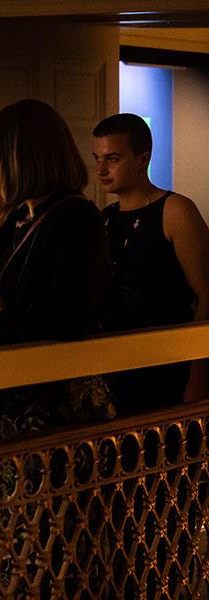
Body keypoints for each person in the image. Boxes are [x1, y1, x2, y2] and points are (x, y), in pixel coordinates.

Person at [0, 99, 115, 597]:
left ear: (24, 158)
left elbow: (70, 320)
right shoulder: (17, 220)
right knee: (1, 546)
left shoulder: (76, 220)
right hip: (5, 415)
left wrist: (0, 318)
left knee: (46, 550)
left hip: (49, 419)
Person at [92, 113, 209, 412]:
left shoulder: (175, 211)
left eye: (113, 159)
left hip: (169, 367)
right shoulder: (105, 219)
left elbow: (206, 296)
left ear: (142, 159)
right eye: (97, 158)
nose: (101, 169)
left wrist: (198, 378)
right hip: (118, 368)